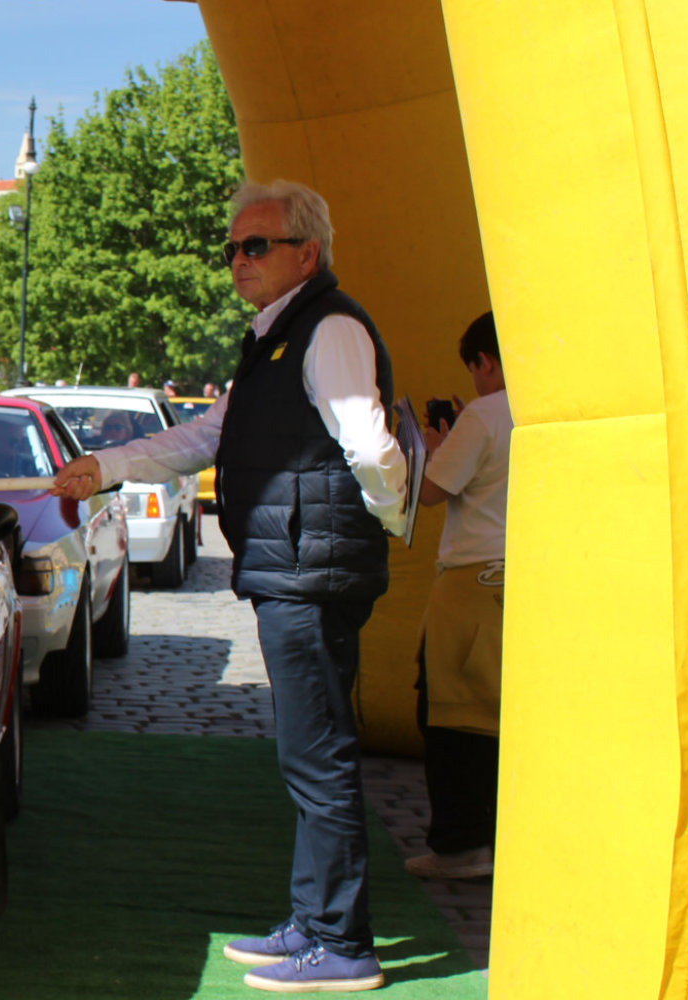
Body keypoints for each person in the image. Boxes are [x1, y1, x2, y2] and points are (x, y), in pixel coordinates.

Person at [52, 179, 405, 993]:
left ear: (306, 254)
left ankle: (342, 942)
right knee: (305, 753)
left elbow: (369, 444)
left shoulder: (329, 328)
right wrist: (105, 466)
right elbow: (207, 436)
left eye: (255, 246)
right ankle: (314, 921)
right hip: (296, 567)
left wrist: (388, 517)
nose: (238, 261)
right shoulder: (276, 337)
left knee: (318, 755)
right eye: (232, 248)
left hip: (311, 572)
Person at [408, 310, 509, 880]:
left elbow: (430, 492)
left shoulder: (486, 415)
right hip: (533, 575)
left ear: (484, 362)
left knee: (451, 715)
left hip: (474, 581)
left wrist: (432, 447)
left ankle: (461, 845)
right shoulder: (548, 411)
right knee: (507, 714)